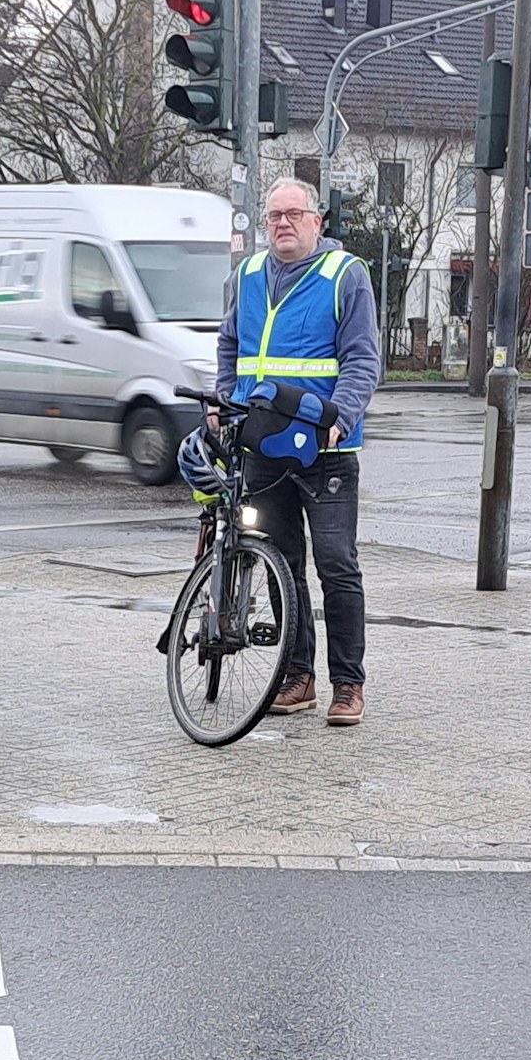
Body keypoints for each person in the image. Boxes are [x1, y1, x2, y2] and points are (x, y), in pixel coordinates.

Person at [214, 177, 381, 726]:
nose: (282, 224)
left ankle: (349, 685)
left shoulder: (344, 275)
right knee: (282, 564)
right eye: (274, 216)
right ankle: (298, 677)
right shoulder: (247, 275)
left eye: (293, 214)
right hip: (263, 444)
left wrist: (344, 412)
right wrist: (225, 400)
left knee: (337, 566)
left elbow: (362, 359)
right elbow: (230, 345)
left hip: (326, 448)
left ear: (317, 220)